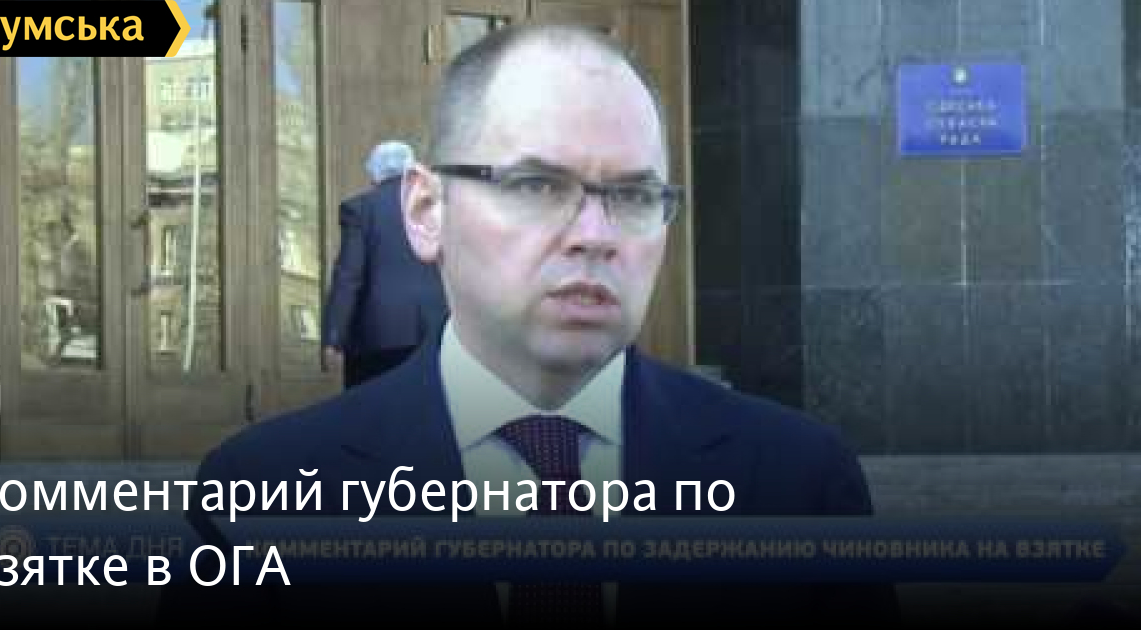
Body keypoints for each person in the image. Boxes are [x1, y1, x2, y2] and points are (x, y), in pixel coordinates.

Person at [166, 23, 899, 627]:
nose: (594, 235)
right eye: (538, 185)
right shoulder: (260, 494)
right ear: (425, 210)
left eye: (633, 195)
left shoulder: (800, 484)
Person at [321, 140, 447, 386]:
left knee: (374, 407)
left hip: (378, 339)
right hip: (436, 333)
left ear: (375, 174)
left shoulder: (360, 208)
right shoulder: (437, 208)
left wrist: (334, 336)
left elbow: (349, 275)